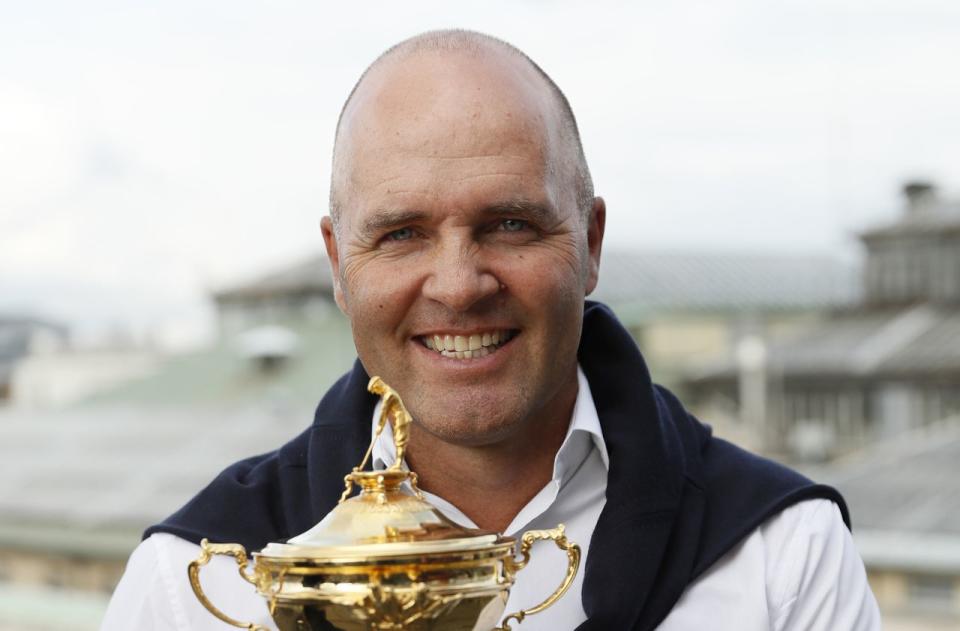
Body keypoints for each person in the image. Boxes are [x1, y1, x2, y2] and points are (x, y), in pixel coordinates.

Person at [101, 30, 881, 630]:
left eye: (509, 223)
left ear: (591, 243)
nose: (458, 285)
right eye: (402, 232)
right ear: (339, 264)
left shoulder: (783, 555)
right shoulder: (196, 583)